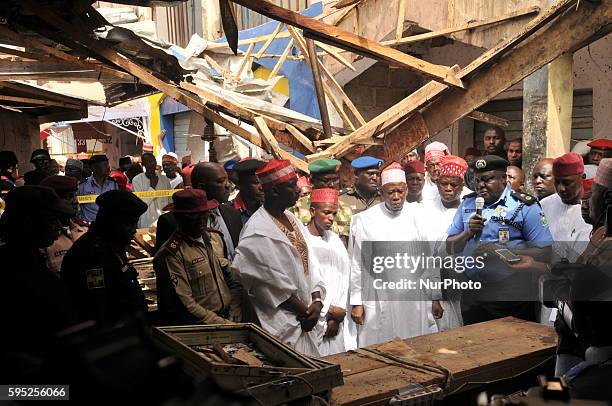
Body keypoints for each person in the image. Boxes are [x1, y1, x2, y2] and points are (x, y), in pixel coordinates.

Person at [232, 160, 325, 356]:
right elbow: (268, 285)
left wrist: (317, 301)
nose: (299, 190)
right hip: (285, 323)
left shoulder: (292, 218)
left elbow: (311, 264)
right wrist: (305, 312)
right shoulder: (257, 231)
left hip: (307, 316)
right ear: (274, 191)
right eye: (292, 185)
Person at [446, 155, 553, 324]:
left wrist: (500, 252)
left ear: (504, 178)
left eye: (487, 179)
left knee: (513, 346)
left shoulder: (524, 206)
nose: (481, 185)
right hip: (472, 293)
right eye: (477, 180)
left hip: (510, 292)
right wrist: (467, 232)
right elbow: (450, 246)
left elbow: (545, 252)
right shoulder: (467, 203)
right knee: (474, 346)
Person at [349, 163, 432, 347]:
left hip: (412, 296)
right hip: (378, 294)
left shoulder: (419, 214)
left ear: (406, 190)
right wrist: (356, 302)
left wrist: (434, 296)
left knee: (413, 343)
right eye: (390, 192)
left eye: (400, 191)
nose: (396, 197)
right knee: (380, 345)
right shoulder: (365, 220)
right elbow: (357, 263)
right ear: (381, 192)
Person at [0, 186, 78, 379]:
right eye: (51, 220)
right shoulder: (10, 270)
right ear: (28, 222)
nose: (58, 227)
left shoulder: (33, 259)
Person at [154, 189, 242, 325]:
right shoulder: (171, 254)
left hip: (228, 317)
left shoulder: (215, 238)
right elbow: (185, 304)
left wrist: (235, 309)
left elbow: (231, 279)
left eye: (203, 214)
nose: (201, 221)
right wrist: (222, 324)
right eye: (193, 216)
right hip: (202, 326)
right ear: (179, 218)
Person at [62, 190, 148, 324]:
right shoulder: (91, 254)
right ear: (113, 222)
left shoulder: (112, 245)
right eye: (129, 224)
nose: (134, 230)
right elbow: (97, 306)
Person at [420, 155, 469, 331]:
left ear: (462, 187)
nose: (448, 189)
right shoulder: (425, 208)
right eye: (443, 184)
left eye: (453, 185)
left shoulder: (470, 206)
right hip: (429, 285)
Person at [155, 162, 242, 259]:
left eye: (227, 180)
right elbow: (163, 263)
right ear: (201, 187)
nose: (228, 185)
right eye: (220, 181)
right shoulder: (171, 222)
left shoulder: (232, 213)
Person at [305, 188, 353, 355]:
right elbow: (305, 283)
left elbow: (344, 277)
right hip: (314, 318)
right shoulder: (303, 240)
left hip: (336, 319)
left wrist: (337, 317)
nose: (331, 218)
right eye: (326, 212)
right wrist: (328, 310)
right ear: (312, 211)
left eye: (334, 213)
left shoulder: (334, 240)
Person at [291, 158, 352, 244]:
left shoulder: (345, 209)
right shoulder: (297, 208)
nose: (331, 185)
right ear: (311, 181)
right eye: (325, 180)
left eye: (335, 180)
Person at [40, 176, 88, 275]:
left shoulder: (83, 229)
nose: (75, 201)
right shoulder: (43, 239)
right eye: (69, 196)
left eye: (75, 195)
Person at [132, 152, 171, 229]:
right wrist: (152, 188)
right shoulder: (137, 180)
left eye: (154, 161)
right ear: (143, 164)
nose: (152, 164)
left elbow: (169, 202)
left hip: (163, 222)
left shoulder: (164, 179)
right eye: (149, 162)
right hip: (146, 223)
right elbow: (140, 205)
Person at [77, 154, 118, 223]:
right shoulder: (83, 185)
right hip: (89, 227)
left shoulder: (113, 184)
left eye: (108, 165)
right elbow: (77, 207)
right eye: (104, 165)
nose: (108, 168)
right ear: (94, 168)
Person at [232, 158, 266, 224]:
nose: (262, 187)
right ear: (240, 184)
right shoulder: (230, 213)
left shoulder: (271, 207)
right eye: (256, 183)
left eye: (264, 182)